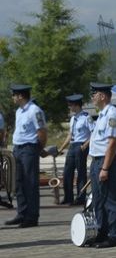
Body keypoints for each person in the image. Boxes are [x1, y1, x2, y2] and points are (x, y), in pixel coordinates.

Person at [88, 83, 116, 248]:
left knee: (111, 200)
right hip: (97, 160)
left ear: (102, 96)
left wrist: (104, 168)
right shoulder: (103, 114)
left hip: (106, 161)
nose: (92, 97)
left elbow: (112, 143)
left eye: (94, 94)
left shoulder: (112, 114)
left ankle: (114, 235)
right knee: (98, 200)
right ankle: (101, 232)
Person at [5, 84, 47, 228]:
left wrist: (37, 149)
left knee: (30, 183)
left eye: (14, 95)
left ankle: (31, 217)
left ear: (20, 96)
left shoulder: (34, 111)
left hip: (29, 148)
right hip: (18, 149)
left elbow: (41, 132)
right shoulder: (19, 111)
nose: (12, 98)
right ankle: (21, 213)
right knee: (18, 183)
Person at [57, 94, 93, 206]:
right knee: (67, 172)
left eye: (70, 105)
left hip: (81, 145)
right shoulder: (73, 118)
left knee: (81, 172)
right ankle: (68, 197)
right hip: (72, 146)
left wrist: (85, 145)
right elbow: (70, 135)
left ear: (76, 105)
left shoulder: (87, 117)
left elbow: (94, 132)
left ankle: (81, 197)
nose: (69, 107)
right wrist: (61, 148)